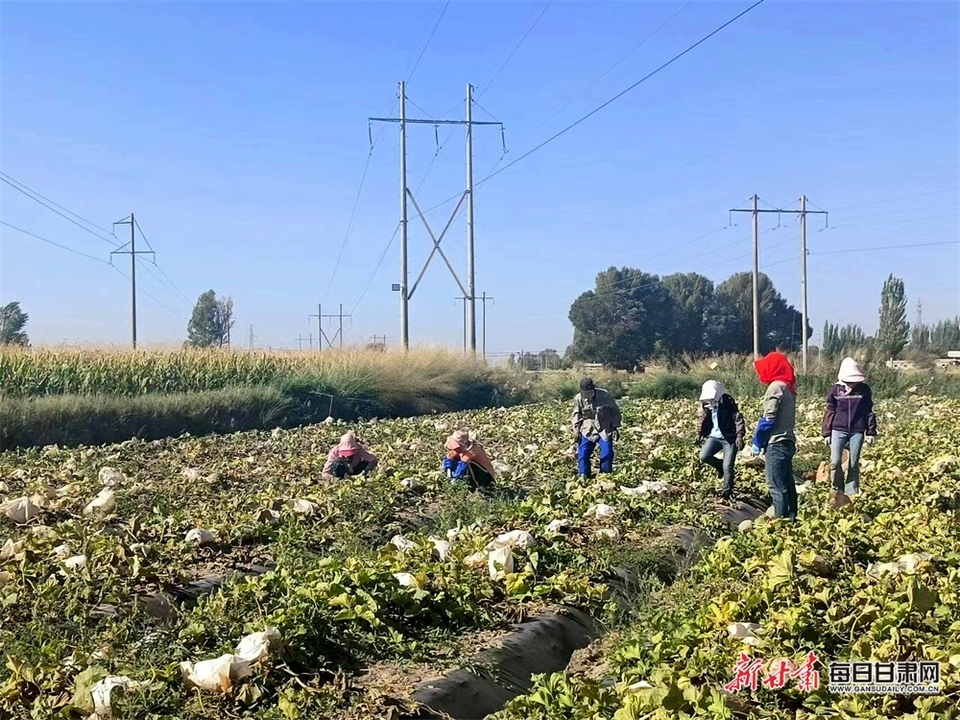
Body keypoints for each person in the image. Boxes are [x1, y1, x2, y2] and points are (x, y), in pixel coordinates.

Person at [750, 352, 798, 521]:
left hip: (776, 443)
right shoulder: (788, 387)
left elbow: (769, 419)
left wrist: (757, 441)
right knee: (787, 484)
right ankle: (792, 520)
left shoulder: (776, 387)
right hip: (787, 441)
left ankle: (781, 523)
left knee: (776, 486)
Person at [821, 357, 877, 496]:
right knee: (835, 462)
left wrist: (871, 432)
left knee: (853, 463)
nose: (852, 385)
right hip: (838, 429)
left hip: (857, 430)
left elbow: (868, 410)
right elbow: (830, 411)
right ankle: (837, 489)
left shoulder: (864, 390)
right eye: (849, 382)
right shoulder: (835, 390)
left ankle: (851, 493)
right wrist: (826, 433)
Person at [696, 380, 746, 499]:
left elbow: (738, 419)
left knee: (728, 466)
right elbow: (703, 418)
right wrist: (699, 433)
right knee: (703, 456)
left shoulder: (728, 402)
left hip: (729, 438)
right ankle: (720, 467)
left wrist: (739, 436)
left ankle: (727, 492)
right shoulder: (706, 404)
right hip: (714, 437)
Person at [572, 377, 622, 478]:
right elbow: (576, 415)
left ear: (593, 390)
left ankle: (605, 476)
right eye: (585, 394)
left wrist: (615, 426)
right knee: (583, 455)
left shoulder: (604, 396)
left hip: (604, 428)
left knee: (607, 453)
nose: (587, 397)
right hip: (587, 429)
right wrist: (576, 431)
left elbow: (615, 411)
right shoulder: (578, 398)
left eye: (589, 393)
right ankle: (584, 477)